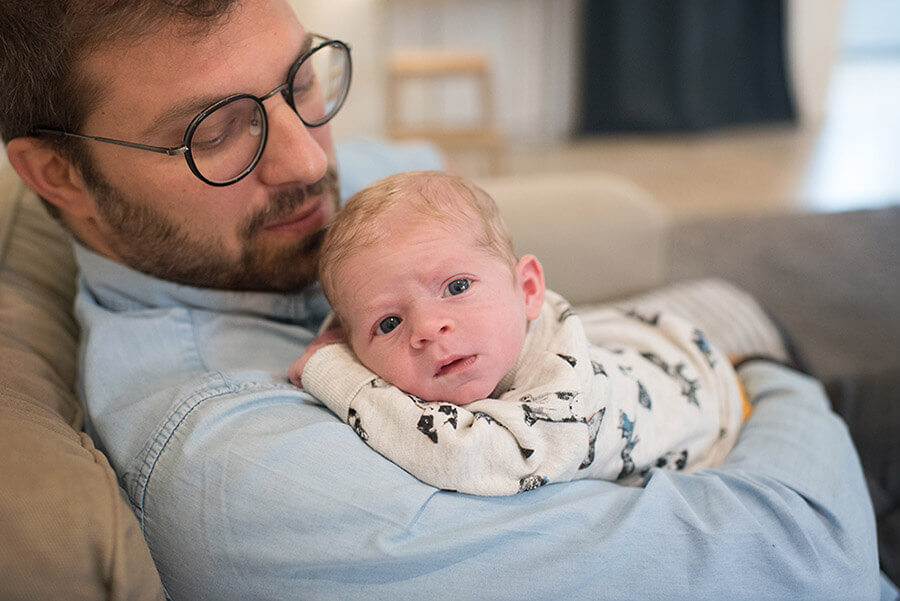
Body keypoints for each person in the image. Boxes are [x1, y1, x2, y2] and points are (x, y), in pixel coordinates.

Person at [0, 0, 884, 599]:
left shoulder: (292, 211)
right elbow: (807, 555)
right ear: (56, 173)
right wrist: (763, 370)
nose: (312, 164)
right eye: (216, 132)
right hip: (794, 457)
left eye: (301, 80)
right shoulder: (238, 469)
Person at [290, 171, 750, 496]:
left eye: (456, 287)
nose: (428, 329)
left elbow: (464, 456)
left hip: (711, 400)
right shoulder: (488, 329)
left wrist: (331, 371)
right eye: (389, 323)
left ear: (527, 289)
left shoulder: (561, 394)